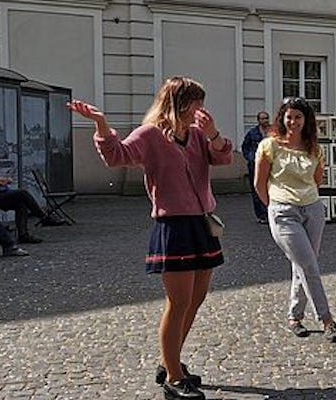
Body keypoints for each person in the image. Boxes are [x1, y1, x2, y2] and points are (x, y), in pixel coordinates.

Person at [67, 76, 232, 400]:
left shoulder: (198, 135)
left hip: (202, 225)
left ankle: (170, 362)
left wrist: (212, 133)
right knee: (179, 302)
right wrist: (101, 124)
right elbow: (117, 156)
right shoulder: (151, 134)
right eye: (196, 102)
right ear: (178, 103)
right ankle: (173, 376)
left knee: (196, 299)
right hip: (173, 226)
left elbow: (223, 158)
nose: (200, 109)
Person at [253, 97, 336, 341]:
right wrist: (274, 206)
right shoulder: (270, 146)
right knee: (309, 265)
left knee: (303, 264)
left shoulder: (314, 148)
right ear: (282, 118)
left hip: (312, 210)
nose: (293, 121)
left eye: (298, 117)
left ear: (305, 120)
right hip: (283, 211)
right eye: (289, 117)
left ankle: (294, 316)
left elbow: (317, 179)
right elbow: (259, 183)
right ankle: (326, 319)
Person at [0, 142, 65, 244]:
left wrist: (3, 181)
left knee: (21, 203)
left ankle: (24, 235)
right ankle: (43, 217)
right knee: (22, 193)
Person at [242, 111, 270, 224]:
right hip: (255, 165)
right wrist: (250, 157)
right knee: (257, 189)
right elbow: (245, 146)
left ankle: (270, 212)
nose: (265, 120)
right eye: (262, 119)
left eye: (266, 118)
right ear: (258, 120)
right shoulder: (252, 133)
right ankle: (261, 215)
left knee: (270, 189)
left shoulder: (273, 132)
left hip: (270, 164)